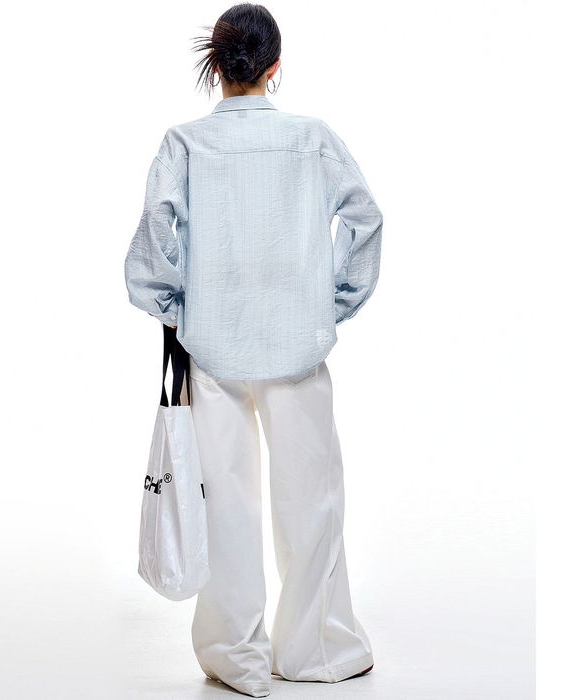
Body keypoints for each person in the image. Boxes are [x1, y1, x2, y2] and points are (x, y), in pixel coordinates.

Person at [124, 4, 383, 697]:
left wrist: (176, 309)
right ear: (276, 66)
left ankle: (236, 658)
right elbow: (364, 218)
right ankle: (317, 649)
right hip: (299, 346)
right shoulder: (312, 139)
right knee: (313, 502)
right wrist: (332, 303)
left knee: (226, 504)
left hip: (211, 349)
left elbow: (154, 236)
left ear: (217, 67)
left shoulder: (185, 143)